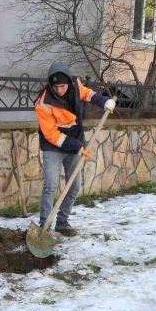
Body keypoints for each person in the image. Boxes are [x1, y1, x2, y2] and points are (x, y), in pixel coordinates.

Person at [35, 62, 115, 236]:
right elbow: (51, 135)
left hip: (75, 143)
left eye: (62, 86)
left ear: (69, 83)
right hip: (53, 147)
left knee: (74, 186)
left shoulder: (76, 85)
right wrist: (77, 146)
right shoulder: (43, 103)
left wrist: (104, 101)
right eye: (55, 87)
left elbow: (89, 94)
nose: (59, 90)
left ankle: (62, 222)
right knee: (50, 186)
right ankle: (44, 226)